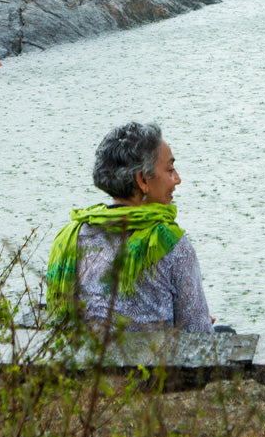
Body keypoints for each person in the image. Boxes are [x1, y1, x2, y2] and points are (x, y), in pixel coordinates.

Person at [46, 121, 212, 331]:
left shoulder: (71, 238)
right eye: (170, 169)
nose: (177, 179)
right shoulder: (169, 243)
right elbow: (200, 333)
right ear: (143, 180)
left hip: (87, 361)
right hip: (151, 363)